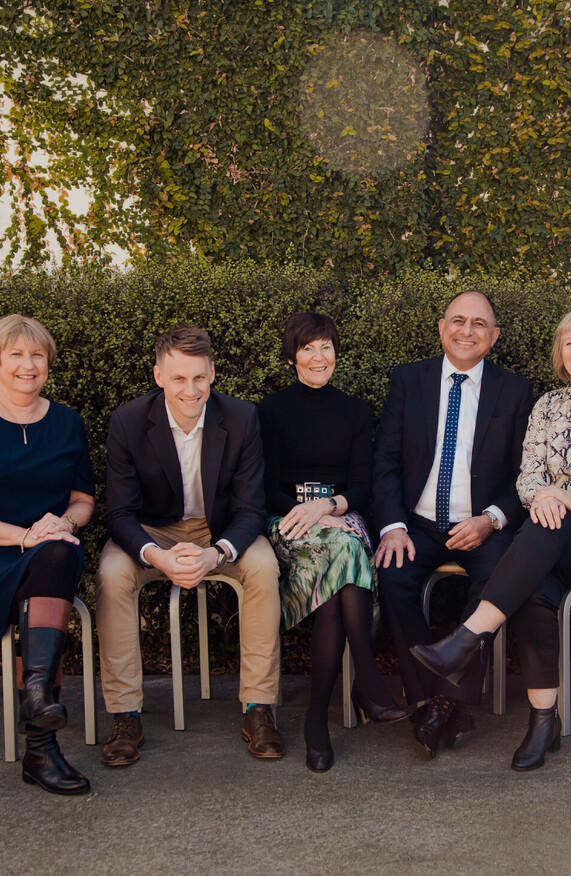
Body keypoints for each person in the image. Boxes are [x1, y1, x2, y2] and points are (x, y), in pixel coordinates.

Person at [412, 307, 571, 770]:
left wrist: (566, 500)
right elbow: (526, 480)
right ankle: (543, 721)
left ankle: (467, 637)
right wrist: (545, 497)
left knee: (550, 525)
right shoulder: (549, 407)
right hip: (560, 540)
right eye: (569, 343)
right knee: (533, 589)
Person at [96, 326, 284, 766]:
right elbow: (119, 513)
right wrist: (156, 556)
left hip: (216, 532)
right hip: (153, 531)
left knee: (262, 566)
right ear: (159, 375)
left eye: (199, 377)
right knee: (111, 574)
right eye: (179, 378)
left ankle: (259, 708)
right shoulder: (128, 421)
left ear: (213, 373)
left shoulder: (240, 418)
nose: (190, 389)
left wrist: (215, 553)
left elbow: (250, 510)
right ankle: (125, 715)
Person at [372, 290, 533, 758]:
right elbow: (385, 460)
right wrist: (393, 526)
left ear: (494, 336)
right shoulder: (409, 380)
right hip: (417, 525)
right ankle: (436, 699)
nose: (467, 330)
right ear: (441, 328)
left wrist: (491, 519)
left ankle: (440, 703)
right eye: (458, 321)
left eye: (479, 323)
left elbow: (527, 474)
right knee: (393, 574)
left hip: (481, 525)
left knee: (497, 581)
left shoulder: (515, 391)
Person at [259, 312, 406, 773]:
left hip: (343, 516)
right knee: (341, 559)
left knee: (338, 562)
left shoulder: (356, 411)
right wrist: (304, 514)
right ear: (291, 357)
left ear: (336, 353)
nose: (318, 357)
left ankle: (315, 722)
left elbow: (363, 486)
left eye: (326, 347)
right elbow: (265, 486)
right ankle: (366, 678)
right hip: (287, 520)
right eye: (307, 348)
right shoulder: (270, 410)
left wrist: (329, 509)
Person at [0, 314, 94, 794]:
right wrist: (23, 536)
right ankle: (40, 728)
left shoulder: (66, 422)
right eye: (15, 353)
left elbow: (83, 497)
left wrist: (66, 522)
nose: (27, 364)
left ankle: (38, 728)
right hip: (3, 547)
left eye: (37, 355)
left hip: (49, 554)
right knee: (49, 559)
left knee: (58, 555)